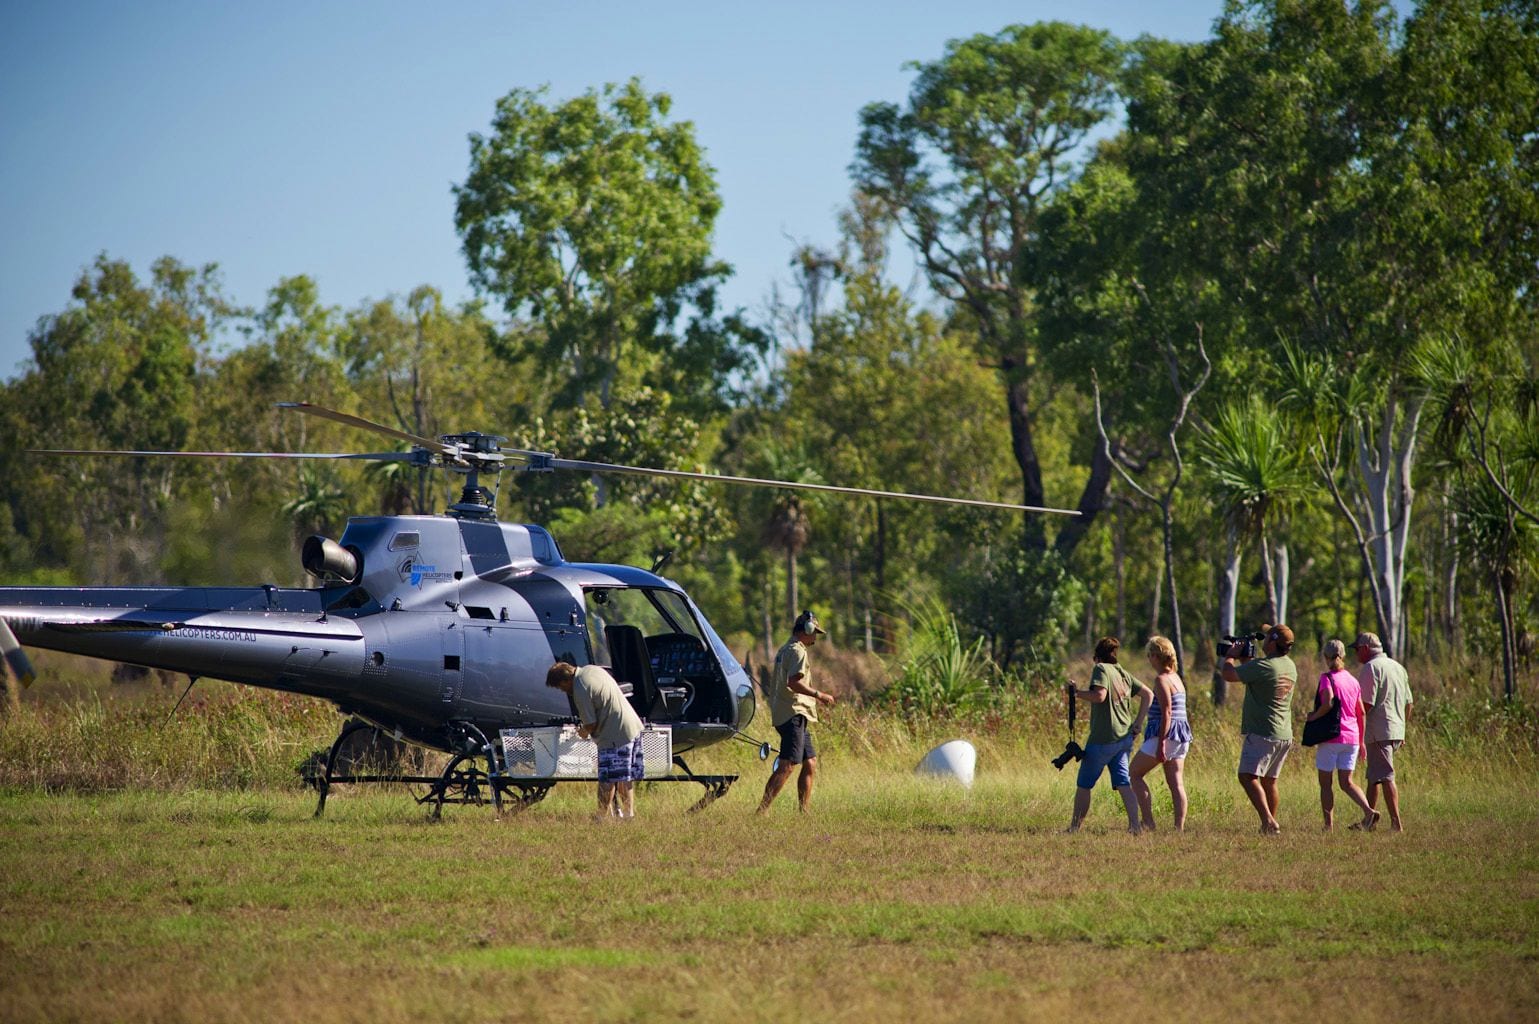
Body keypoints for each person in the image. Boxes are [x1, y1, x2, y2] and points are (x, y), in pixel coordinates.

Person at [1065, 636, 1152, 834]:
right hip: (1124, 739)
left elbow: (1099, 696)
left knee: (1084, 784)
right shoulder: (1122, 673)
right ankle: (1135, 826)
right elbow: (1148, 694)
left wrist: (1076, 693)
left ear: (1097, 657)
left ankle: (1074, 828)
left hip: (1103, 739)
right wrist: (1138, 724)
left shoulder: (1101, 669)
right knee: (1123, 782)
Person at [757, 611, 836, 814]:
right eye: (814, 632)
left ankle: (804, 811)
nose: (815, 637)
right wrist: (820, 695)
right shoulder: (798, 651)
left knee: (810, 762)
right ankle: (761, 811)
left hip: (791, 713)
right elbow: (794, 683)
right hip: (792, 713)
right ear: (806, 630)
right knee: (787, 765)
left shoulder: (785, 649)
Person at [1221, 623, 1297, 834]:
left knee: (1246, 776)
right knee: (1269, 781)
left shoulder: (1264, 666)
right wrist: (1246, 660)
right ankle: (1269, 825)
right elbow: (1258, 677)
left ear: (1272, 641)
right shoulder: (1288, 665)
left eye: (1266, 638)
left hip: (1263, 732)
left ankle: (1268, 820)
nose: (1263, 641)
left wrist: (1230, 655)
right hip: (1283, 732)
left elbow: (1229, 675)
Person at [545, 661, 644, 821]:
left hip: (614, 735)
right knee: (624, 776)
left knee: (608, 778)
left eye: (560, 687)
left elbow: (591, 724)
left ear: (565, 680)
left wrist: (582, 732)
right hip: (632, 726)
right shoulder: (592, 670)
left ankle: (600, 818)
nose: (563, 691)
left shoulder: (580, 689)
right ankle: (628, 816)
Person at [1306, 639, 1378, 832]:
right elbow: (1361, 712)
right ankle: (1369, 811)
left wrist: (1313, 716)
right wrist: (1361, 741)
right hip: (1352, 738)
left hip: (1332, 737)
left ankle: (1328, 825)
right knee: (1347, 782)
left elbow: (1328, 702)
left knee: (1325, 784)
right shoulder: (1353, 681)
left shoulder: (1326, 678)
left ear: (1325, 657)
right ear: (1343, 656)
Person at [1128, 635, 1192, 832]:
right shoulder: (1176, 679)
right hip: (1181, 736)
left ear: (1156, 656)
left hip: (1164, 735)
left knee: (1134, 774)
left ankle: (1148, 822)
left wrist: (1162, 744)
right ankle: (1178, 828)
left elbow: (1167, 712)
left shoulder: (1162, 679)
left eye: (1149, 655)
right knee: (1176, 783)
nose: (1149, 659)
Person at [1354, 631, 1413, 832]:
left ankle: (1396, 824)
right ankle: (1368, 820)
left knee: (1386, 775)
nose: (1356, 655)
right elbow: (1409, 703)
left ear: (1365, 649)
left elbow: (1366, 705)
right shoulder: (1398, 667)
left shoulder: (1371, 668)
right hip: (1394, 729)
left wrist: (1352, 722)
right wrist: (1402, 727)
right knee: (1374, 776)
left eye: (1356, 650)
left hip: (1379, 730)